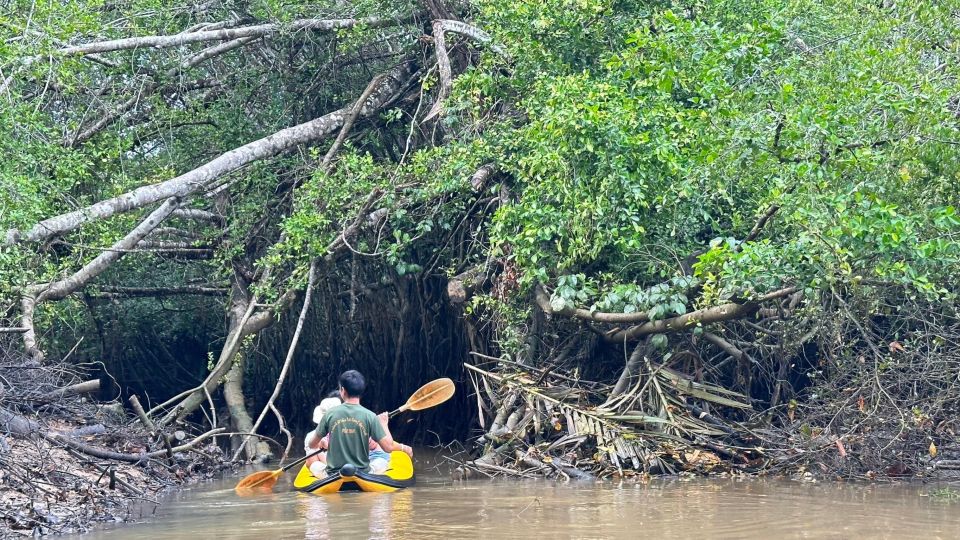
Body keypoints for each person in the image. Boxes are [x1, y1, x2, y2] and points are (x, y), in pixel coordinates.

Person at [306, 370, 413, 477]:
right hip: (364, 473)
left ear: (342, 390)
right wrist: (383, 424)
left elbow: (312, 445)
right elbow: (388, 448)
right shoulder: (370, 416)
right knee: (382, 460)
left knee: (310, 461)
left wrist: (321, 444)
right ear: (361, 392)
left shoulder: (329, 414)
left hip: (332, 474)